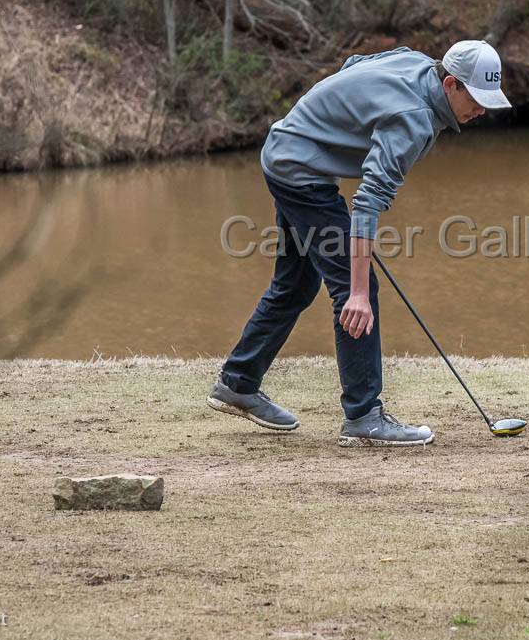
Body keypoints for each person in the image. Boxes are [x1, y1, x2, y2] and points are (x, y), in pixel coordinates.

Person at [207, 40, 512, 446]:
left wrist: (325, 132)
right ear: (452, 83)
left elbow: (354, 64)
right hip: (300, 171)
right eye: (476, 99)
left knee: (296, 284)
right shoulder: (414, 119)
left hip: (288, 153)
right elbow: (368, 201)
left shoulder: (417, 63)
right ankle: (363, 416)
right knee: (357, 289)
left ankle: (238, 382)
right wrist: (357, 292)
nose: (482, 110)